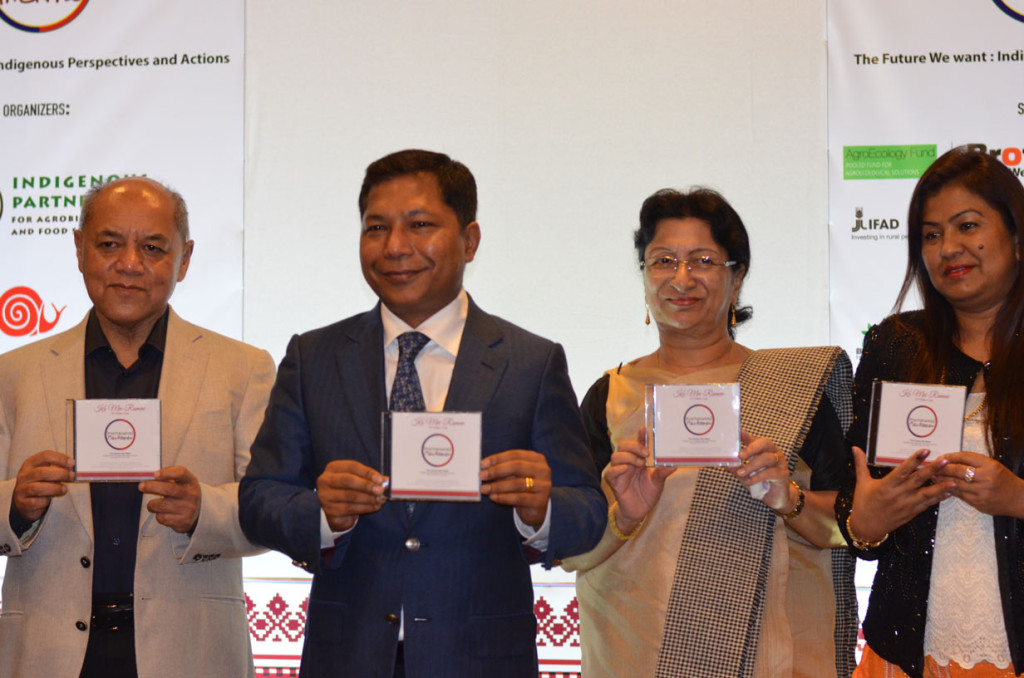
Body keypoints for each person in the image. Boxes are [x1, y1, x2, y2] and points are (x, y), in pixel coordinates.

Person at [237, 149, 606, 678]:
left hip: (481, 657)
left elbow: (589, 512)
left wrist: (541, 509)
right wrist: (321, 514)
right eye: (376, 228)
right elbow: (260, 497)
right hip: (348, 656)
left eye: (420, 225)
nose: (394, 247)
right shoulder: (313, 356)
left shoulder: (530, 362)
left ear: (470, 240)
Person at [562, 187, 858, 678]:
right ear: (644, 277)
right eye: (662, 261)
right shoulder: (608, 397)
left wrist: (789, 500)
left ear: (736, 277)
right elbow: (571, 553)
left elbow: (851, 528)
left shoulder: (793, 388)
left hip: (772, 659)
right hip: (632, 654)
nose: (681, 278)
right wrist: (623, 516)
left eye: (702, 260)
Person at [0, 177, 275, 678]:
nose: (129, 263)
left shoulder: (243, 368)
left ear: (185, 259)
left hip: (190, 650)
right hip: (45, 651)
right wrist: (15, 505)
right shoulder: (15, 372)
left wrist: (203, 511)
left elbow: (274, 506)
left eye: (152, 247)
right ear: (80, 249)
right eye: (109, 244)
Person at [837, 147, 1024, 677]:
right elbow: (855, 502)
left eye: (967, 226)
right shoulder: (896, 345)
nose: (949, 248)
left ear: (1016, 235)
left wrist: (1016, 498)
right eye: (931, 234)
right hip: (907, 652)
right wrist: (866, 522)